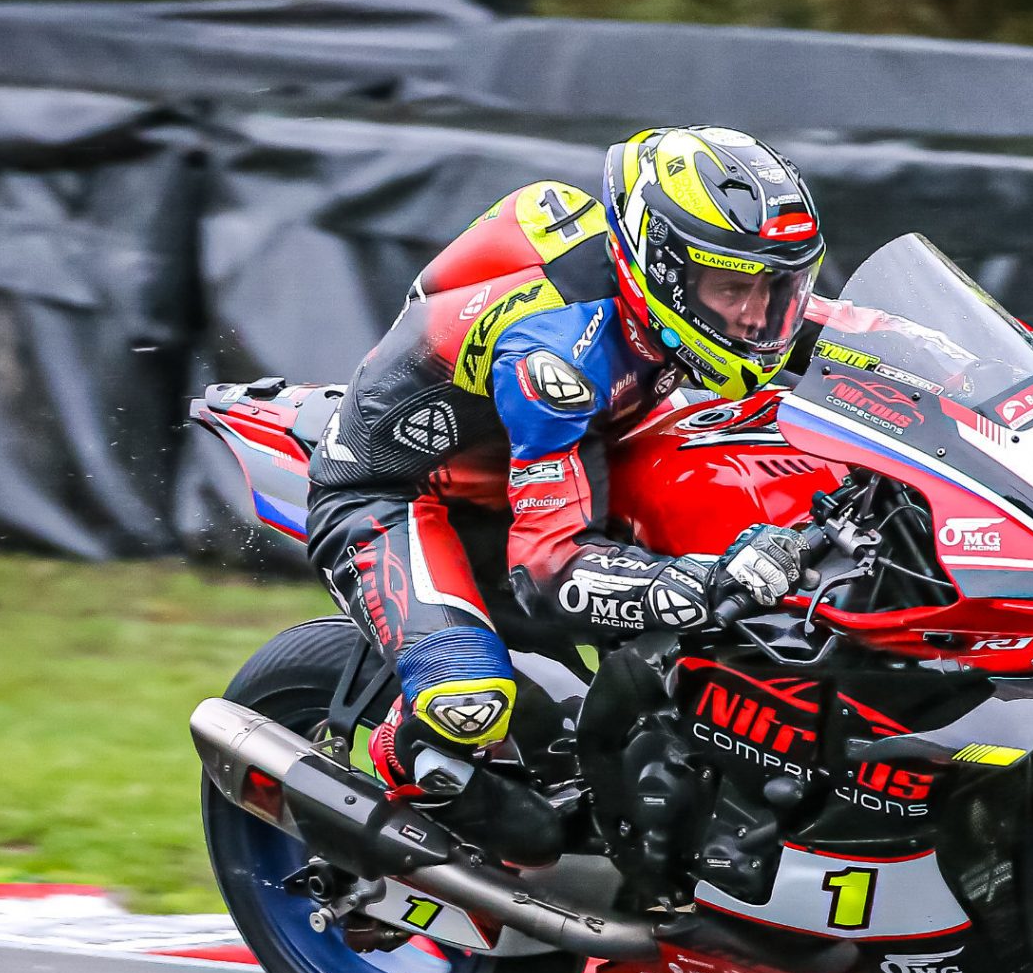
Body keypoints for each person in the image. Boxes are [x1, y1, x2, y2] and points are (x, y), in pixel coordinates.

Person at [304, 126, 826, 797]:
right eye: (733, 289)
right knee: (469, 702)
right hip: (404, 497)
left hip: (570, 451)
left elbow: (856, 334)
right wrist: (690, 583)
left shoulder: (691, 298)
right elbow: (548, 565)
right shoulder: (553, 357)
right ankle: (406, 758)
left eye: (778, 289)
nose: (759, 320)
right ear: (664, 267)